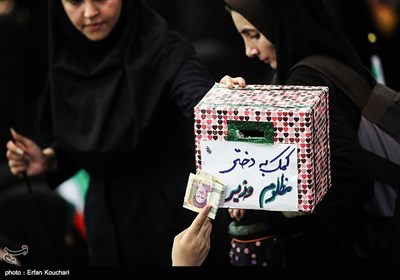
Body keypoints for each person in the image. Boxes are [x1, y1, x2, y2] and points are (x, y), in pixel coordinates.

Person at [5, 0, 231, 267]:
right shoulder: (69, 53)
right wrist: (49, 160)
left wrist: (218, 101)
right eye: (75, 2)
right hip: (104, 224)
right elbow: (94, 137)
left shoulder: (162, 47)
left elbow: (197, 97)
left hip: (168, 221)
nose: (90, 12)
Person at [219, 0, 375, 267]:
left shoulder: (306, 80)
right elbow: (288, 141)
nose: (249, 51)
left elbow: (350, 173)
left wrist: (273, 205)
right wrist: (239, 109)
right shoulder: (326, 60)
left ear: (278, 25)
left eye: (254, 35)